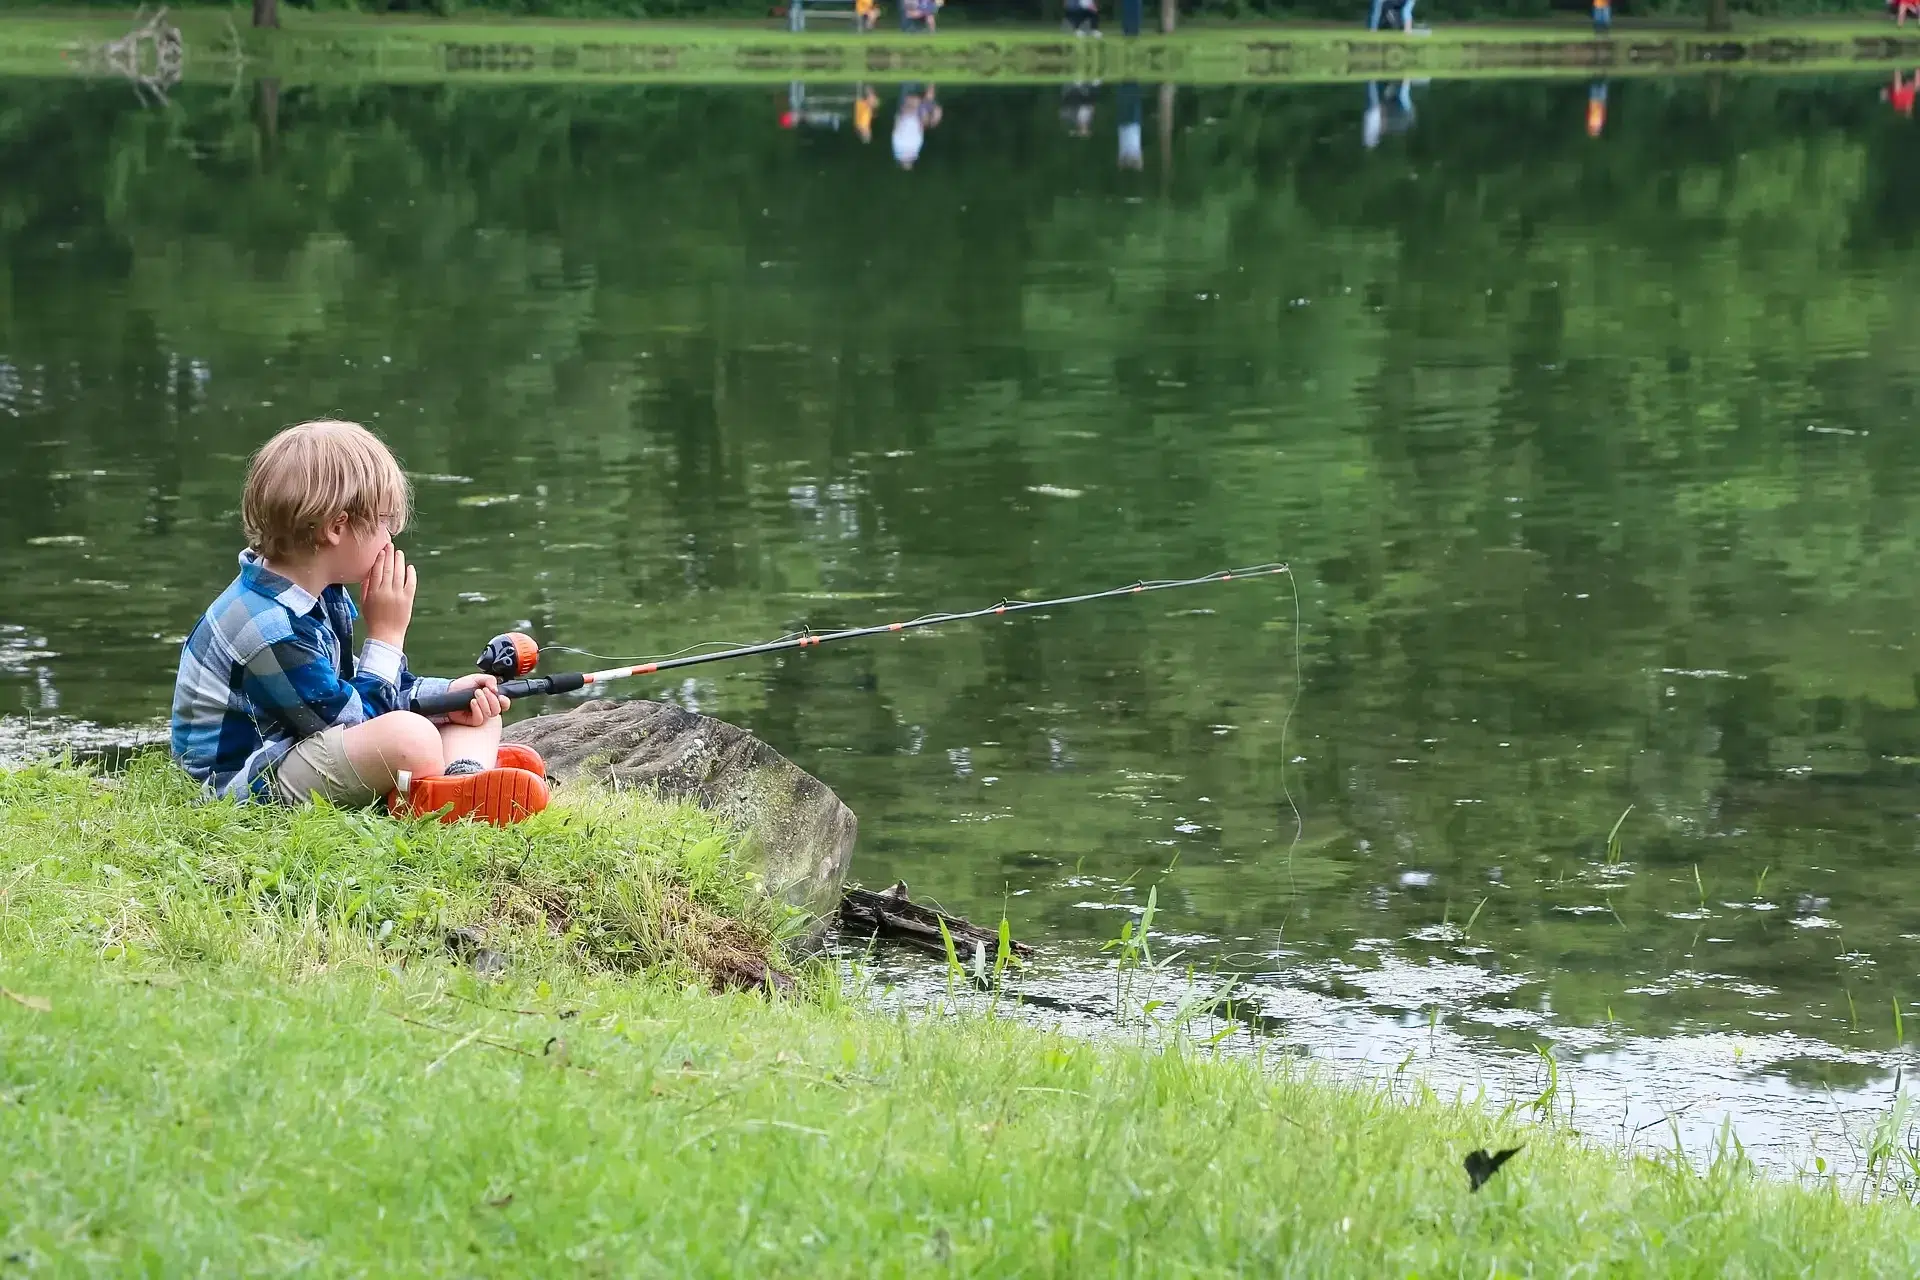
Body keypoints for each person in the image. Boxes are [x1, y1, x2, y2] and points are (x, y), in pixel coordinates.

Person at [170, 420, 550, 825]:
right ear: (336, 527)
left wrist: (448, 695)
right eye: (385, 523)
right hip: (247, 782)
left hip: (308, 738)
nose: (391, 540)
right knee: (410, 737)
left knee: (477, 704)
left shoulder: (320, 592)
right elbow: (350, 720)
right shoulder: (267, 626)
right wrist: (387, 635)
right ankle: (454, 776)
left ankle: (462, 779)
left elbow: (354, 691)